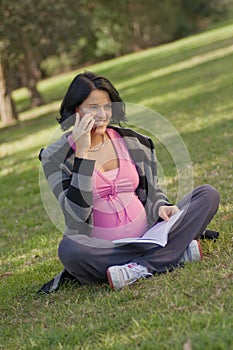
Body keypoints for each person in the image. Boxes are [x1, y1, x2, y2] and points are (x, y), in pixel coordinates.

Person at [38, 71, 220, 293]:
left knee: (207, 195)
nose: (102, 114)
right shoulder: (55, 157)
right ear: (77, 111)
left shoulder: (134, 141)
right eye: (93, 108)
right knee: (70, 251)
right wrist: (83, 154)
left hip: (150, 233)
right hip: (105, 249)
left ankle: (139, 268)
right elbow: (76, 216)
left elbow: (154, 194)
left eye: (107, 106)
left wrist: (162, 206)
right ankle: (174, 254)